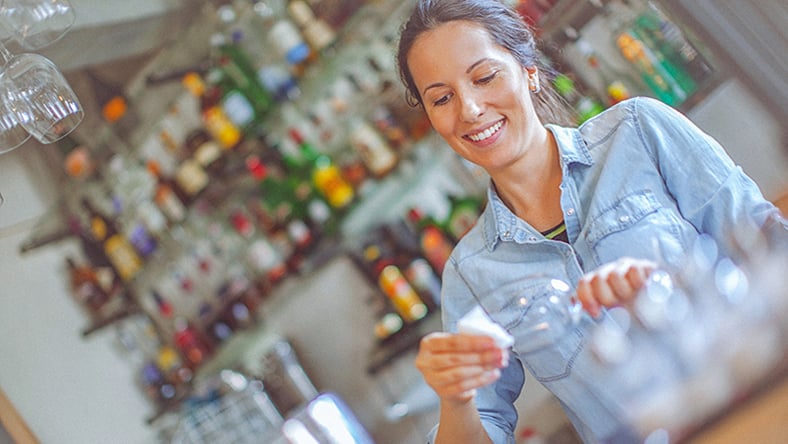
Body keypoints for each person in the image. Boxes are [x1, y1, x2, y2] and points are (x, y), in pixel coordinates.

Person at [395, 0, 786, 442]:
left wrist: (667, 290)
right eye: (442, 98)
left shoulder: (640, 131)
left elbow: (773, 249)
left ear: (529, 71)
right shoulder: (471, 273)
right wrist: (456, 397)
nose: (468, 109)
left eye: (485, 77)